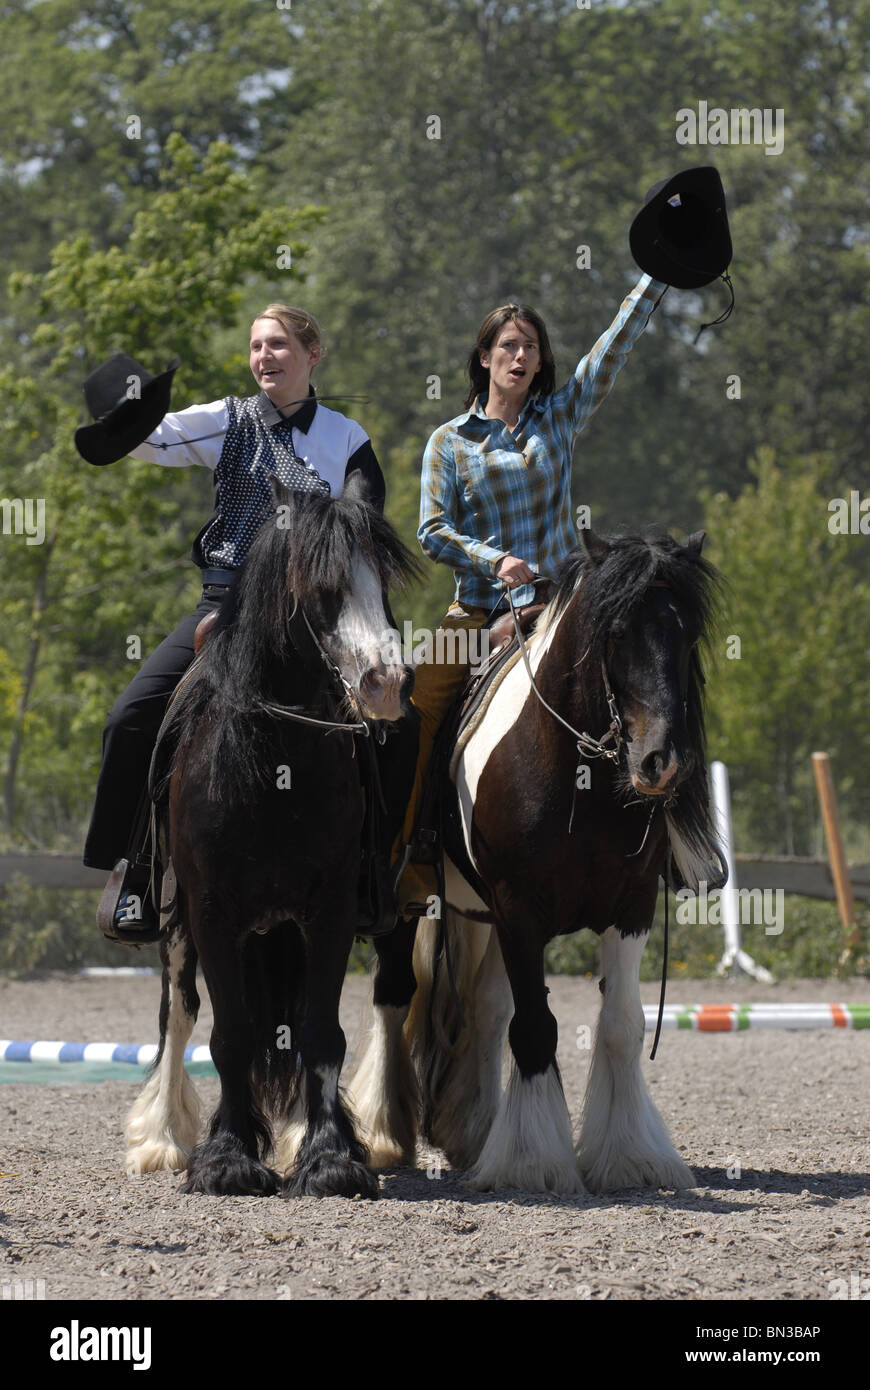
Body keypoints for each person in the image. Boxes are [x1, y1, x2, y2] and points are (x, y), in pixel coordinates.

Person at [80, 305, 386, 941]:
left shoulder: (347, 437)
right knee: (129, 718)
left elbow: (364, 524)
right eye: (255, 347)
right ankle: (134, 870)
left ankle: (376, 875)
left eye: (277, 345)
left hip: (316, 616)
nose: (264, 357)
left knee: (393, 724)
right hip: (225, 605)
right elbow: (152, 439)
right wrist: (124, 407)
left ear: (312, 353)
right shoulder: (228, 419)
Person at [393, 271, 668, 913]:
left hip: (560, 606)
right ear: (485, 357)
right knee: (414, 707)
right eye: (509, 346)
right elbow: (431, 529)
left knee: (657, 679)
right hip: (479, 610)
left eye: (532, 348)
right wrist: (495, 560)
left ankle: (678, 851)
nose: (521, 357)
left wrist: (658, 276)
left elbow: (613, 347)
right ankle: (409, 854)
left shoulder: (560, 416)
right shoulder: (449, 442)